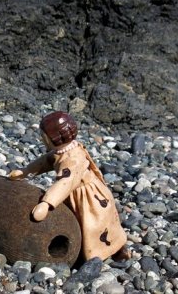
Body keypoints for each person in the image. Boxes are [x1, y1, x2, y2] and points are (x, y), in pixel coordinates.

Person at [8, 111, 131, 261]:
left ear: (54, 137)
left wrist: (47, 203)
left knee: (94, 225)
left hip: (88, 196)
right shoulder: (61, 151)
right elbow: (46, 161)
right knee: (85, 223)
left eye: (43, 136)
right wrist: (26, 171)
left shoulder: (73, 157)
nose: (41, 139)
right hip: (75, 193)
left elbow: (66, 182)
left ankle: (102, 254)